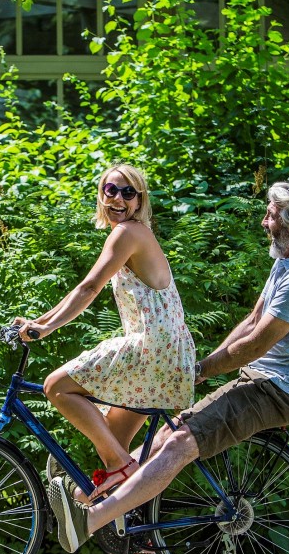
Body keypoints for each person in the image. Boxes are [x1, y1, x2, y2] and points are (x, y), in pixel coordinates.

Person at [47, 180, 289, 554]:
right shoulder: (287, 260)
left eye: (272, 215)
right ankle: (87, 497)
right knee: (167, 432)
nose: (265, 222)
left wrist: (202, 369)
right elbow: (251, 320)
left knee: (181, 443)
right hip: (260, 380)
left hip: (282, 391)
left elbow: (255, 344)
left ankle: (91, 520)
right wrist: (204, 366)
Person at [15, 164, 195, 522]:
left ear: (139, 200)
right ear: (101, 193)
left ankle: (116, 467)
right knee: (114, 439)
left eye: (129, 193)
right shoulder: (132, 233)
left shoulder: (128, 232)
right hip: (167, 353)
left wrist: (45, 328)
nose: (118, 199)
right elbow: (87, 287)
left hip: (151, 347)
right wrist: (40, 322)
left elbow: (88, 288)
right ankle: (136, 539)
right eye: (112, 189)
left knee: (56, 387)